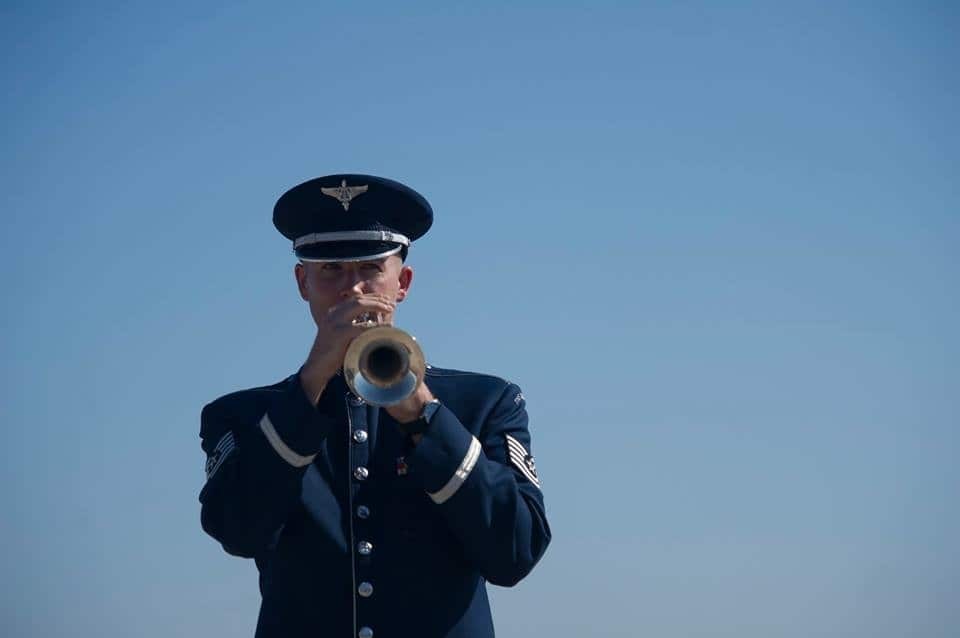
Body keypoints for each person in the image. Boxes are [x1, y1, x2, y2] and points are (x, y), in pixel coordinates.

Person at [198, 174, 551, 638]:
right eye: (331, 271)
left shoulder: (484, 402)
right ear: (302, 282)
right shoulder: (243, 416)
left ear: (401, 282)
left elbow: (515, 552)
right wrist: (309, 385)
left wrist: (425, 415)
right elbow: (239, 531)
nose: (353, 290)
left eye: (369, 269)